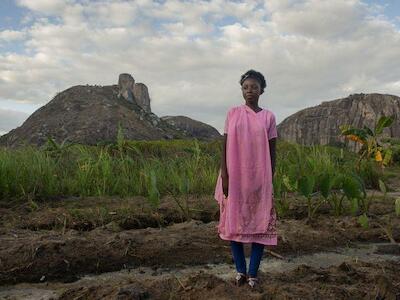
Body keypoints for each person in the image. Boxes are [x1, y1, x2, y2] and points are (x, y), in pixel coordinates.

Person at [214, 69, 278, 289]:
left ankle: (253, 273)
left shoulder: (268, 117)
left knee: (260, 225)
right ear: (241, 90)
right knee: (234, 223)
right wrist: (224, 174)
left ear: (262, 90)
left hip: (260, 177)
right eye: (245, 87)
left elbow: (272, 151)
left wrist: (270, 179)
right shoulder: (232, 113)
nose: (249, 91)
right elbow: (225, 144)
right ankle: (240, 271)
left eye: (254, 87)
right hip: (235, 176)